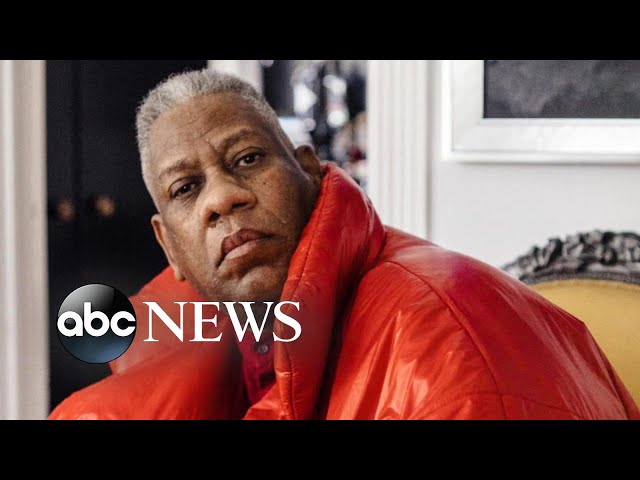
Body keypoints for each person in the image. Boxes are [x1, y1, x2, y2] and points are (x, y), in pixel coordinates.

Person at [50, 69, 639, 420]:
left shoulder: (448, 337)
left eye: (248, 159)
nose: (222, 198)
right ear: (169, 246)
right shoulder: (224, 344)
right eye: (186, 188)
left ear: (308, 170)